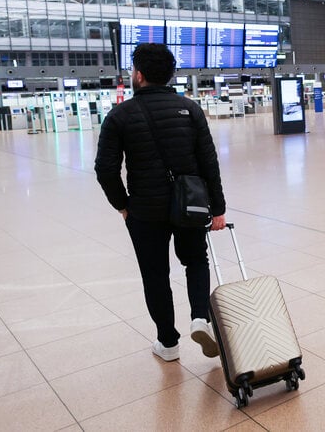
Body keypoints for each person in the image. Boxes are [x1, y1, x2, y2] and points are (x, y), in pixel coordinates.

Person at [95, 43, 227, 363]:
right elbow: (209, 163)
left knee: (155, 274)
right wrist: (218, 209)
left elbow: (105, 169)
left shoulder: (119, 115)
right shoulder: (190, 109)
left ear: (139, 75)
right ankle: (200, 317)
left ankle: (168, 343)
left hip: (144, 210)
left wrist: (122, 205)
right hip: (190, 204)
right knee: (196, 261)